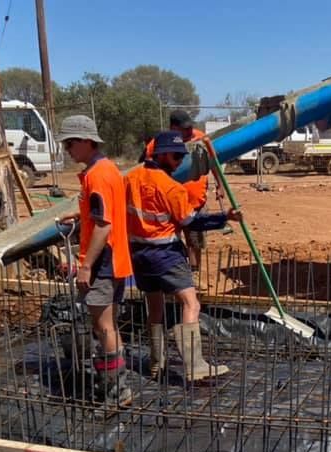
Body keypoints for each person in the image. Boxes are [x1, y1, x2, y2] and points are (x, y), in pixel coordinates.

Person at [125, 130, 241, 382]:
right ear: (161, 155)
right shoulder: (171, 188)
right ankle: (194, 366)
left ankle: (156, 362)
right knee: (191, 304)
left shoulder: (131, 177)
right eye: (176, 157)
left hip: (139, 255)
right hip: (166, 254)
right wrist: (225, 217)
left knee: (155, 307)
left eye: (181, 157)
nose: (179, 162)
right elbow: (192, 222)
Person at [56, 115, 134, 405]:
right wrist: (80, 215)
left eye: (70, 143)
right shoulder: (108, 169)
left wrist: (86, 266)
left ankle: (115, 391)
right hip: (116, 260)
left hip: (103, 262)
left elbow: (104, 225)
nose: (67, 149)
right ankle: (117, 386)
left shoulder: (97, 175)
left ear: (87, 141)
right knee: (109, 326)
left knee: (103, 328)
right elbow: (104, 211)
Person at [142, 110, 211, 273]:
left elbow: (211, 161)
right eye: (185, 128)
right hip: (170, 203)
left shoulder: (200, 137)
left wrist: (220, 186)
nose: (190, 131)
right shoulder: (158, 143)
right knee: (173, 238)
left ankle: (195, 271)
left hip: (196, 201)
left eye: (190, 127)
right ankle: (180, 271)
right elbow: (145, 167)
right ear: (174, 128)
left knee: (195, 239)